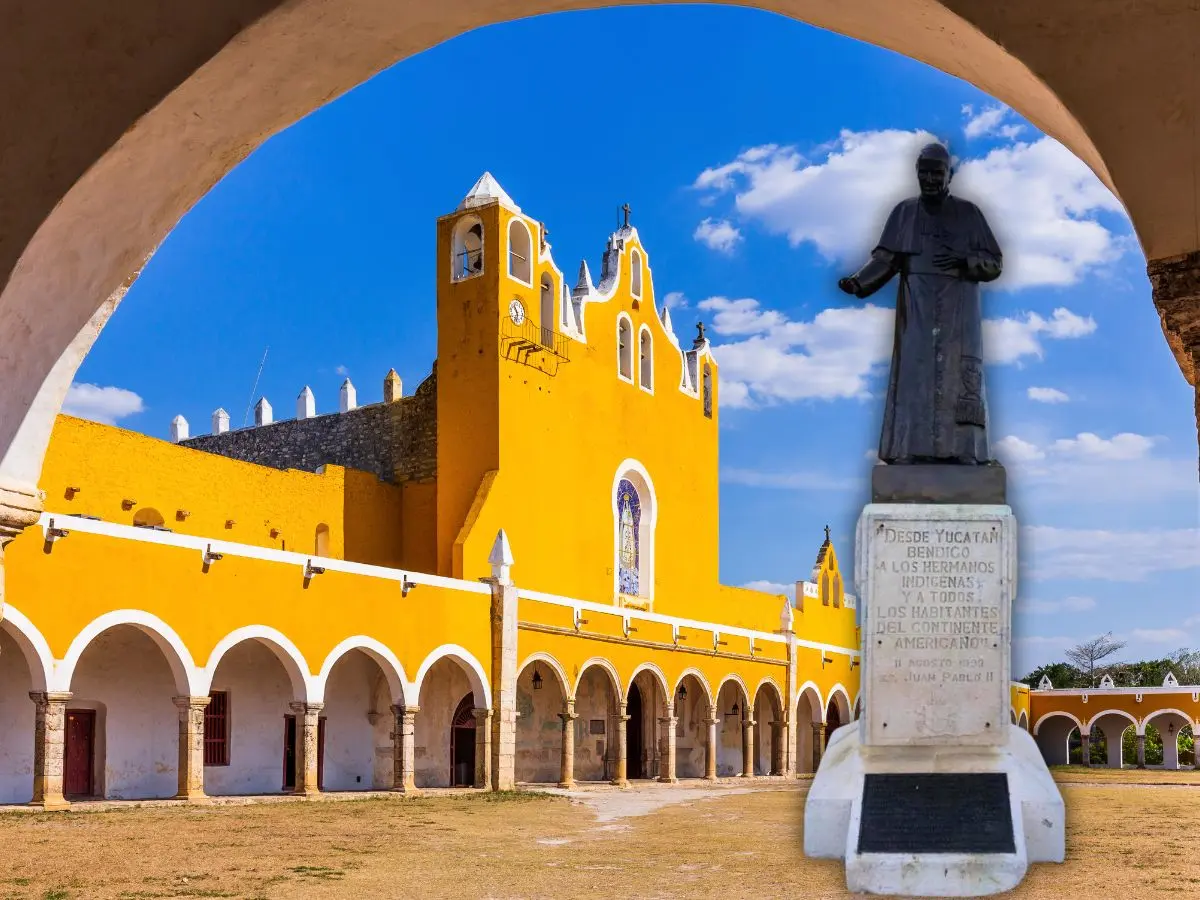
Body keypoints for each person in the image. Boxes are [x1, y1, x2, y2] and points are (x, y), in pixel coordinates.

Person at [838, 142, 1002, 465]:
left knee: (959, 377)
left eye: (937, 173)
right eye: (924, 173)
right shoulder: (904, 212)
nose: (930, 179)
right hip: (918, 305)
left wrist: (967, 261)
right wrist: (859, 282)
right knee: (914, 374)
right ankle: (907, 449)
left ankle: (964, 450)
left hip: (958, 307)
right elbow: (886, 259)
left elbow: (994, 263)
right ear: (916, 173)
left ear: (950, 175)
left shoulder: (969, 214)